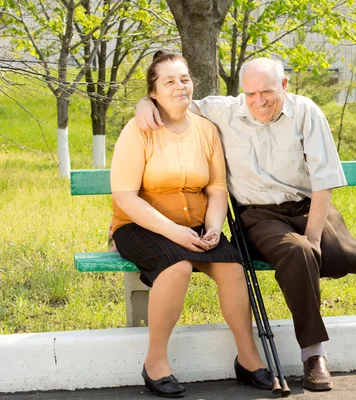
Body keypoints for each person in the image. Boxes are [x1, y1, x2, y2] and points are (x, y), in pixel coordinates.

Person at [136, 57, 356, 392]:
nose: (258, 102)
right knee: (299, 253)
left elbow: (324, 181)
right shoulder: (223, 111)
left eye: (267, 92)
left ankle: (314, 252)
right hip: (258, 216)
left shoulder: (306, 112)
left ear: (284, 86)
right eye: (251, 93)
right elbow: (178, 99)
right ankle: (314, 355)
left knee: (347, 256)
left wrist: (315, 237)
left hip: (307, 207)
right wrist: (145, 101)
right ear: (242, 92)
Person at [111, 51, 271, 398]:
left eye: (184, 78)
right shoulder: (139, 129)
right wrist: (174, 232)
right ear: (152, 92)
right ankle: (155, 364)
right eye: (169, 81)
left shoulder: (205, 129)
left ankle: (248, 359)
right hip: (140, 225)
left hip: (196, 224)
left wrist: (213, 226)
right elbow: (125, 197)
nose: (180, 86)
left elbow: (216, 188)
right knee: (178, 266)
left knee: (231, 266)